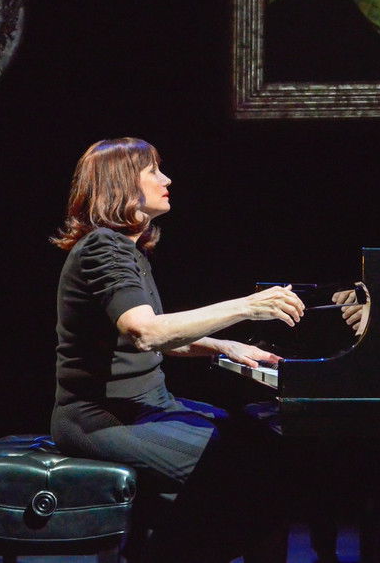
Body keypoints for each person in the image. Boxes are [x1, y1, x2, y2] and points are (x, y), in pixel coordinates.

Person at [49, 137, 306, 563]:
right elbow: (147, 333)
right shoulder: (103, 248)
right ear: (122, 184)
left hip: (147, 406)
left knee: (264, 446)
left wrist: (223, 345)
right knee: (249, 479)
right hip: (103, 418)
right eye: (153, 171)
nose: (166, 179)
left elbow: (161, 335)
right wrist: (247, 306)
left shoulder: (128, 251)